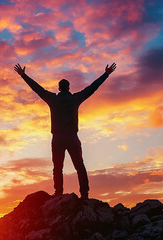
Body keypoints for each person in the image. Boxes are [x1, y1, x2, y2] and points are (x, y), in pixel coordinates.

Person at [14, 62, 117, 199]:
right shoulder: (75, 98)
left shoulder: (52, 99)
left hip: (57, 139)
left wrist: (23, 75)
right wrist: (106, 74)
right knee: (79, 166)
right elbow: (92, 88)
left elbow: (37, 88)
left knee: (57, 168)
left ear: (59, 88)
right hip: (72, 137)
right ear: (68, 88)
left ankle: (58, 193)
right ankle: (84, 194)